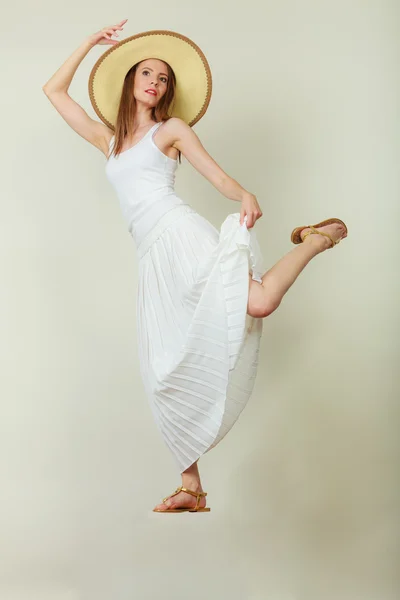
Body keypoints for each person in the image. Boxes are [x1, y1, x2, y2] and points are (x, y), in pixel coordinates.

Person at [42, 21, 348, 514]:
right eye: (146, 73)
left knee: (261, 302)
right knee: (161, 367)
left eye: (163, 79)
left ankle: (315, 240)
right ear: (129, 80)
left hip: (180, 235)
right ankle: (191, 485)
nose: (155, 83)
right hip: (151, 258)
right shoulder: (110, 141)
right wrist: (88, 43)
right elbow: (54, 91)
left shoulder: (172, 131)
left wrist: (244, 193)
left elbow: (218, 175)